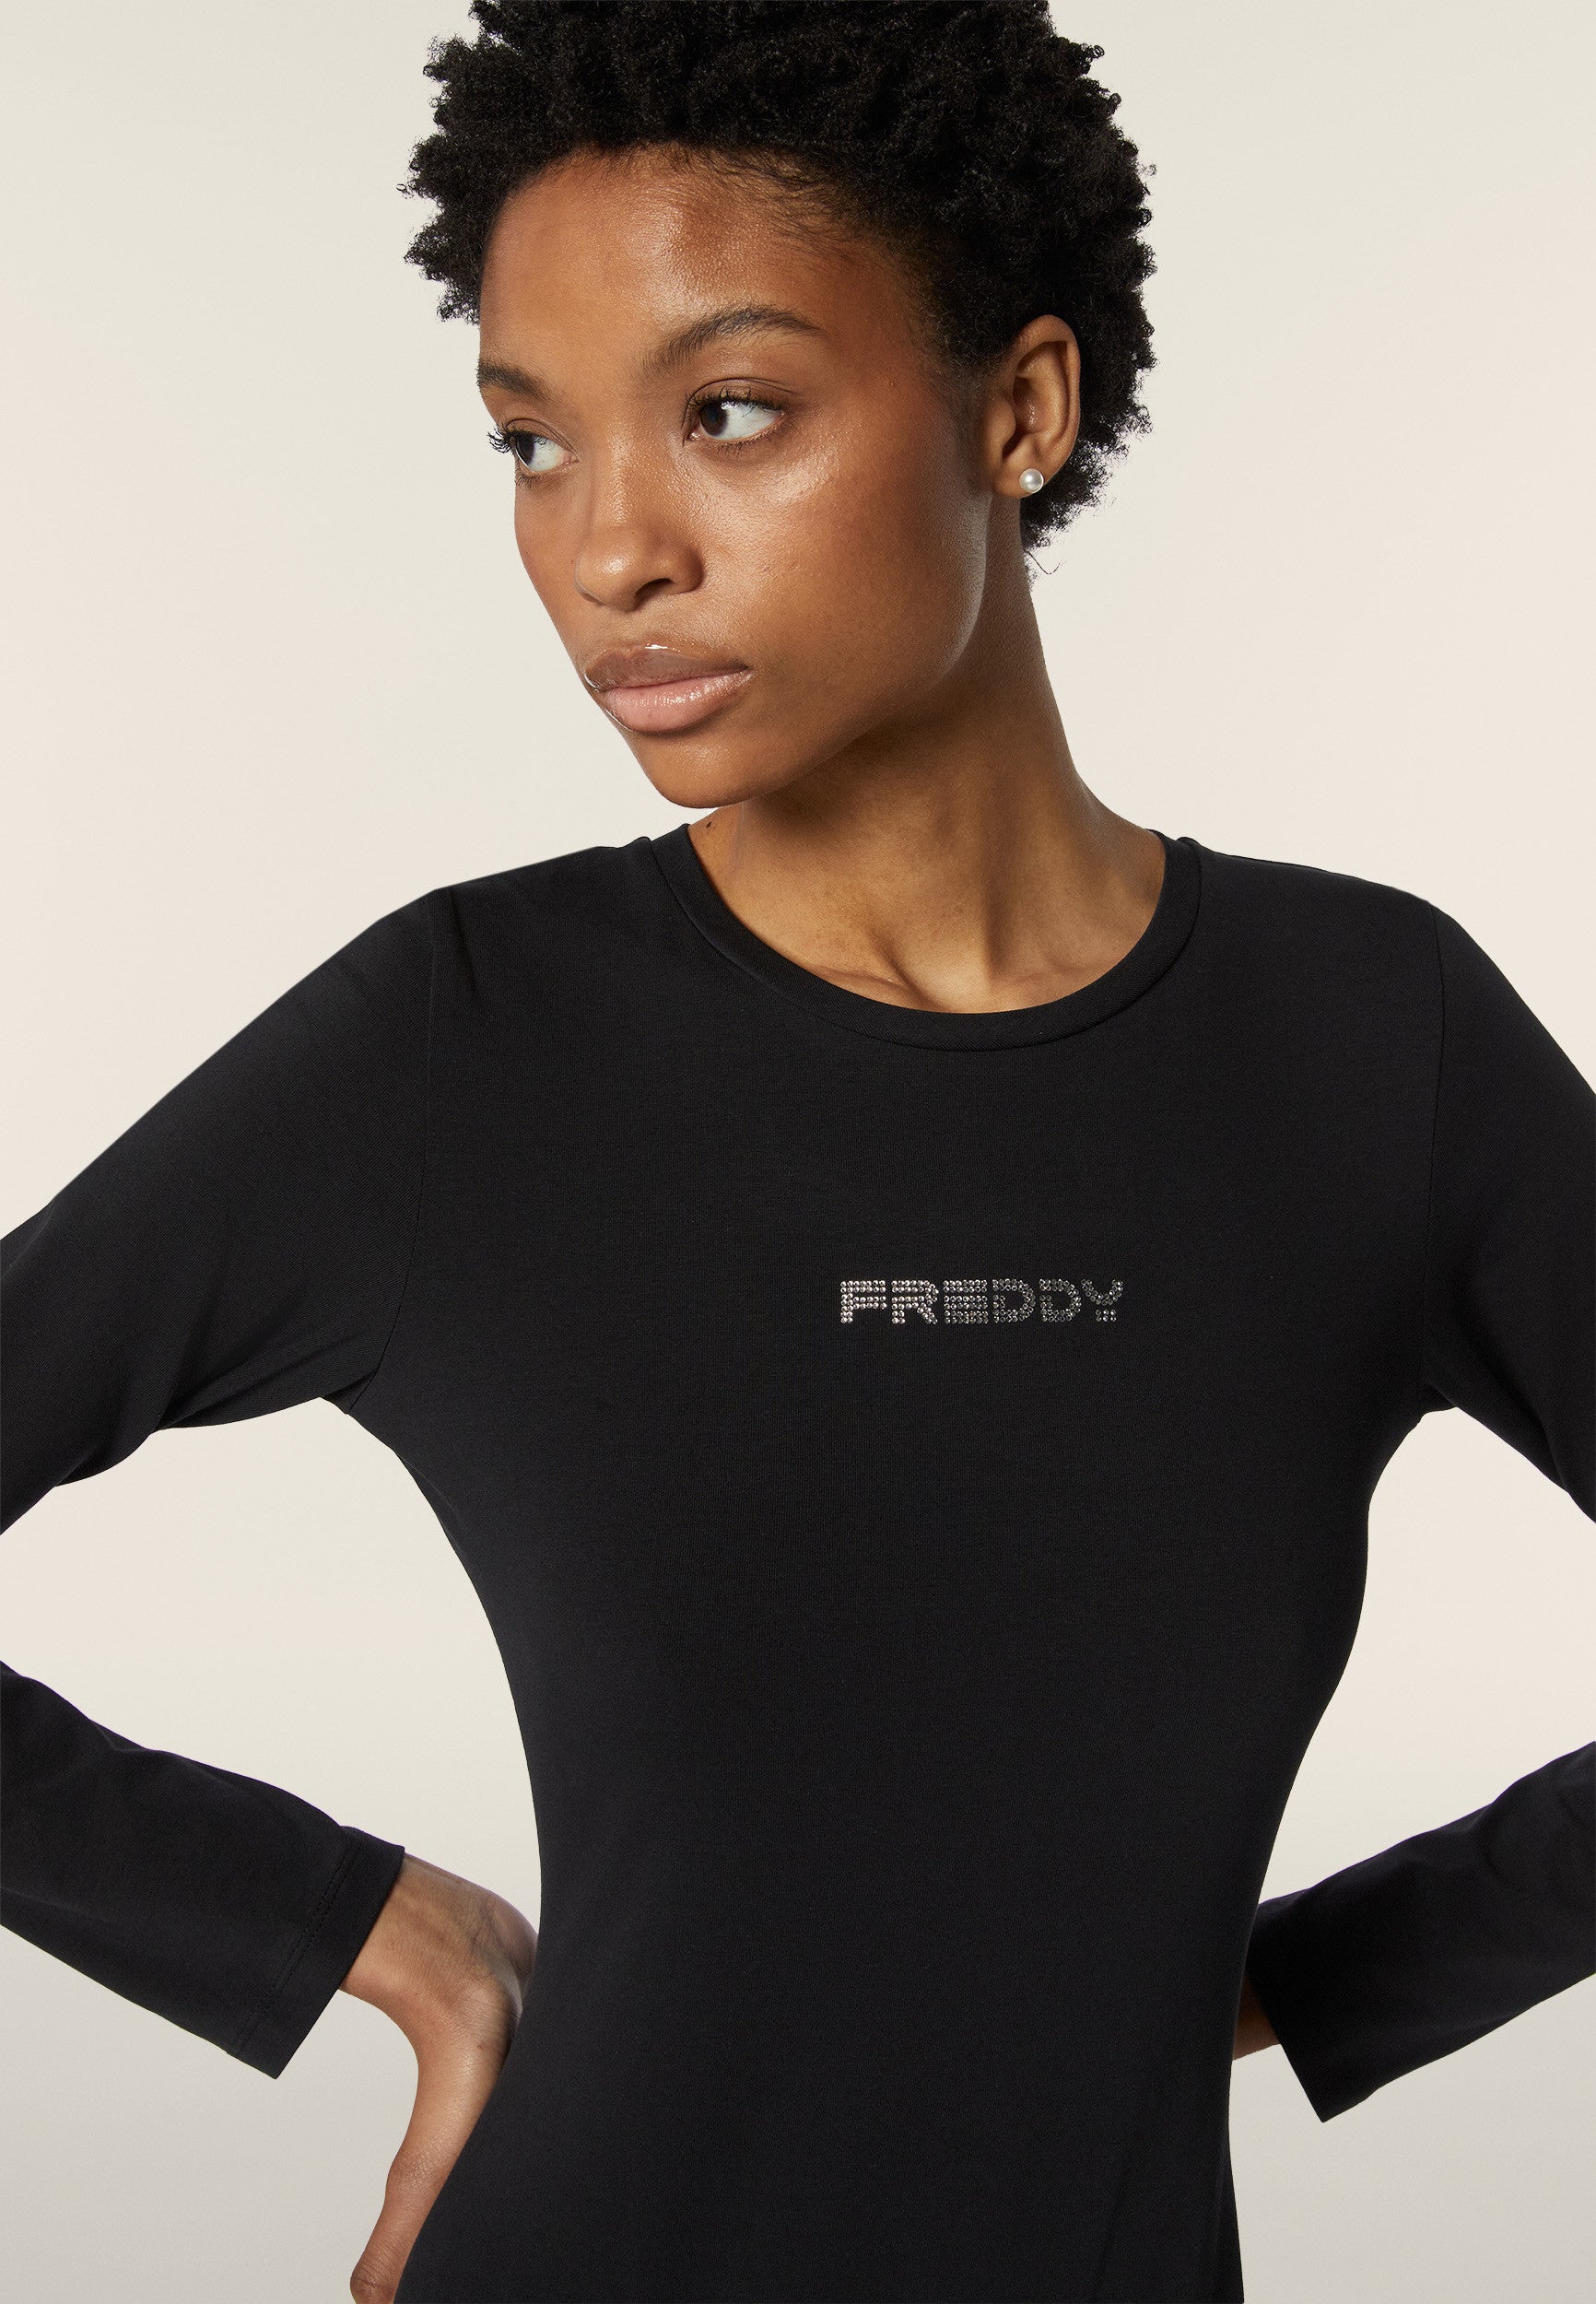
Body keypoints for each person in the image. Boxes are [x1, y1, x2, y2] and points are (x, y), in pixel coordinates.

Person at [3, 3, 1590, 2299]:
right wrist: (342, 1916)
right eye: (530, 441)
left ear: (1015, 407)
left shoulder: (1369, 1040)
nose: (607, 548)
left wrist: (1325, 1977)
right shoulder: (459, 1043)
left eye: (728, 411)